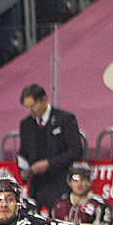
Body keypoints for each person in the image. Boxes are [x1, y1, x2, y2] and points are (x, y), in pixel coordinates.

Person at [17, 83, 83, 213]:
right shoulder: (26, 124)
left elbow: (76, 150)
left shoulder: (65, 119)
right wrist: (23, 172)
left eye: (33, 106)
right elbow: (23, 152)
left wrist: (49, 163)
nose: (31, 111)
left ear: (44, 99)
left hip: (60, 183)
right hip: (37, 187)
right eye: (27, 107)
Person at [51, 161, 113, 225]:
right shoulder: (59, 204)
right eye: (75, 180)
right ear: (70, 182)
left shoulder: (99, 205)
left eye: (83, 179)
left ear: (89, 181)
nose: (79, 184)